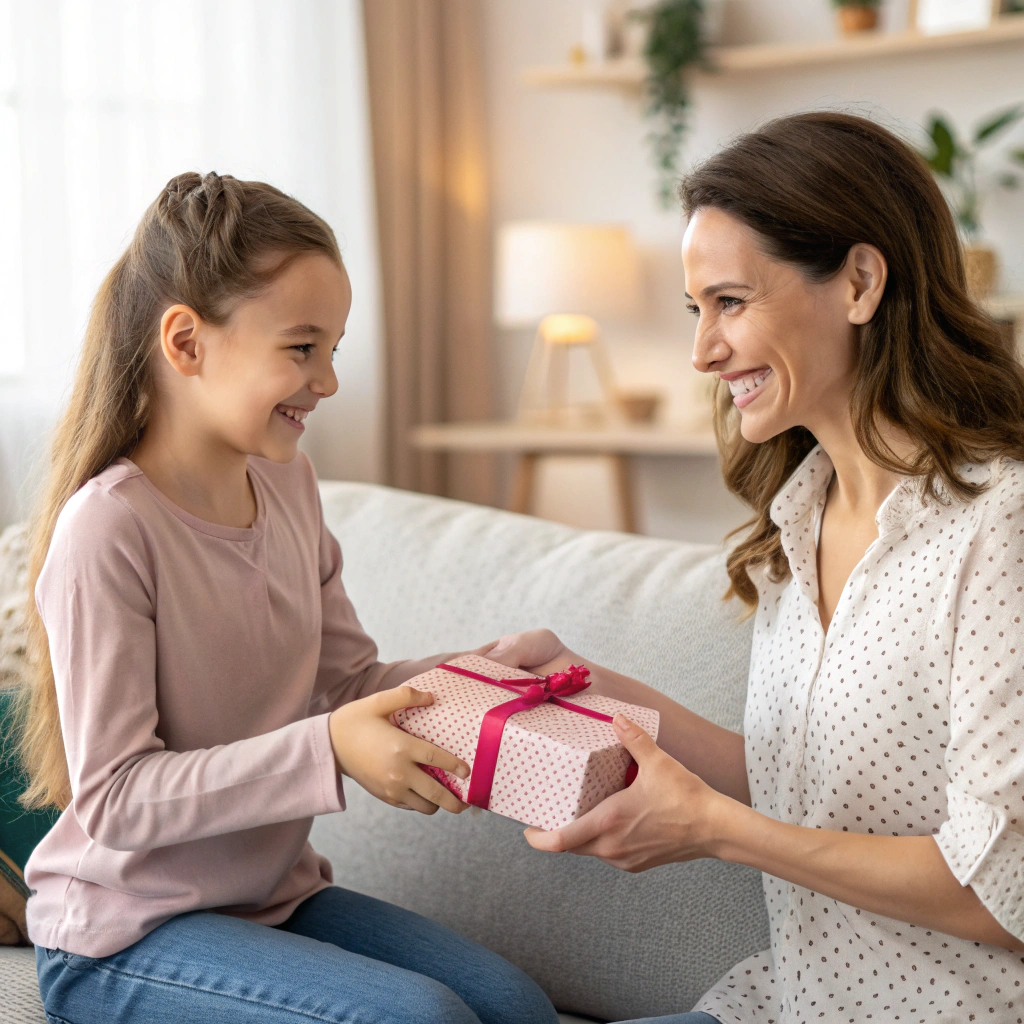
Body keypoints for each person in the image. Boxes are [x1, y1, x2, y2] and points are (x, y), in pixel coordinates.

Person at [492, 111, 1024, 1023]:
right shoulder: (798, 514)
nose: (703, 350)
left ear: (859, 282)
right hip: (783, 1003)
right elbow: (797, 776)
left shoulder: (998, 526)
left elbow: (999, 891)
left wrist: (715, 833)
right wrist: (585, 685)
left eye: (730, 302)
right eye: (696, 310)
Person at [16, 172, 558, 1024]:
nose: (329, 381)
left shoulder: (290, 485)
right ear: (187, 342)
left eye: (334, 350)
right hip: (121, 938)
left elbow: (347, 685)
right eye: (303, 348)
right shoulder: (110, 528)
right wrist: (330, 750)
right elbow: (117, 798)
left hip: (269, 899)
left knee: (517, 1008)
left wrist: (476, 675)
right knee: (425, 1019)